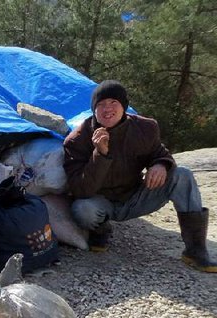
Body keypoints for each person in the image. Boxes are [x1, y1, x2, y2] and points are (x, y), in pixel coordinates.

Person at [64, 80, 216, 272]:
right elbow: (81, 189)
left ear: (124, 107)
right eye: (101, 104)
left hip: (135, 197)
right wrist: (100, 154)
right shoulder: (77, 140)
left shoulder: (145, 128)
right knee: (82, 209)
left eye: (113, 103)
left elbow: (161, 153)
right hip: (100, 202)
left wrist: (161, 164)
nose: (107, 109)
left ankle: (195, 250)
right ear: (94, 109)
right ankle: (100, 230)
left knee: (182, 175)